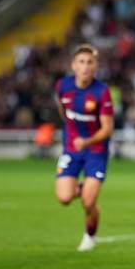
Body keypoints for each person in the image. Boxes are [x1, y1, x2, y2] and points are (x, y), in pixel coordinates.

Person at [54, 44, 114, 251]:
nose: (85, 66)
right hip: (71, 149)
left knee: (88, 203)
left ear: (96, 66)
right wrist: (73, 138)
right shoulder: (62, 86)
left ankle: (90, 235)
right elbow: (64, 112)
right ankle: (84, 186)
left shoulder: (102, 92)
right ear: (73, 65)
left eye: (90, 62)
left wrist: (86, 141)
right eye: (81, 62)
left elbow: (107, 129)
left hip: (96, 151)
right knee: (64, 198)